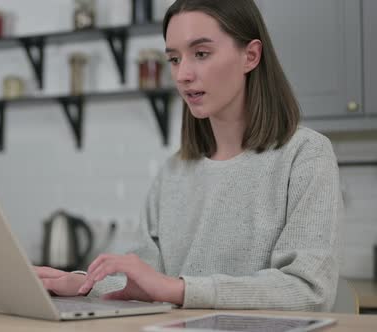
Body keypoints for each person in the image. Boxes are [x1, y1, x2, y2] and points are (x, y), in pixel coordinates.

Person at [35, 0, 341, 311]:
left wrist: (179, 290)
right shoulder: (173, 172)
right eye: (174, 58)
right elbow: (142, 285)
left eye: (201, 54)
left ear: (250, 56)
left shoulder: (306, 156)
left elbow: (309, 291)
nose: (182, 74)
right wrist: (82, 284)